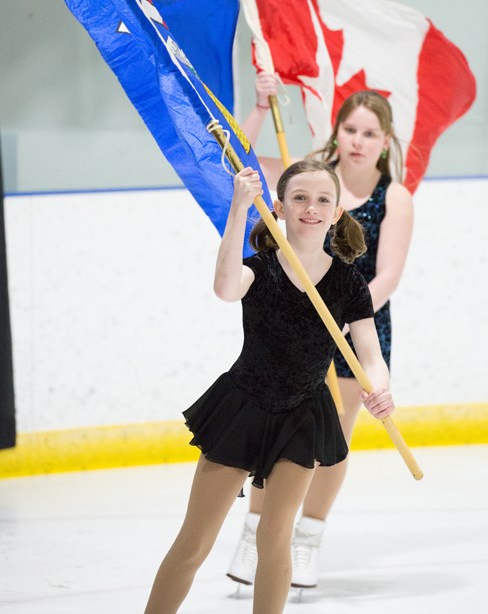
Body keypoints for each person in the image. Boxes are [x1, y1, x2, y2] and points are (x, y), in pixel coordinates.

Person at [144, 160, 394, 614]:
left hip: (302, 415)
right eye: (299, 198)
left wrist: (380, 388)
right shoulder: (259, 267)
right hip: (243, 406)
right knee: (195, 541)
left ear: (337, 212)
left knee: (273, 539)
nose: (311, 208)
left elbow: (371, 357)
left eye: (322, 200)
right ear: (278, 206)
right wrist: (238, 208)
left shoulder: (348, 282)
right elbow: (224, 289)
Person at [227, 74, 414, 590]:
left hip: (358, 322)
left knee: (331, 439)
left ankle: (307, 538)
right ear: (337, 132)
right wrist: (262, 106)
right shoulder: (313, 179)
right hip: (293, 324)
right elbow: (237, 163)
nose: (357, 140)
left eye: (369, 133)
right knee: (279, 429)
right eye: (350, 129)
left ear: (385, 142)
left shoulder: (394, 197)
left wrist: (341, 316)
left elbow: (387, 277)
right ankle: (256, 533)